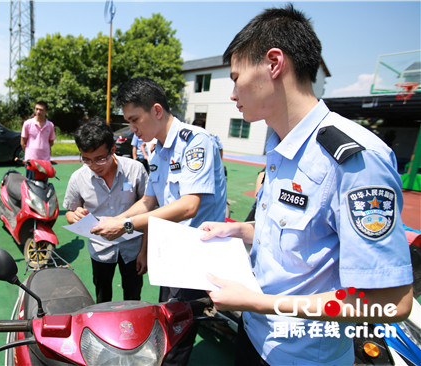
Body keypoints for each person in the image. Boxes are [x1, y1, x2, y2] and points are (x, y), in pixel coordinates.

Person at [198, 5, 413, 365]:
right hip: (255, 335)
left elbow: (392, 301)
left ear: (274, 63)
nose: (232, 92)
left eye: (236, 77)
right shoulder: (280, 143)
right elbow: (304, 238)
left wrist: (258, 303)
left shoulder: (353, 159)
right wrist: (241, 230)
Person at [91, 77, 227, 365]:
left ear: (156, 110)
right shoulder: (158, 149)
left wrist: (126, 226)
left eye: (134, 119)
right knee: (168, 317)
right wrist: (116, 218)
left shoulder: (195, 142)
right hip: (173, 251)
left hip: (196, 253)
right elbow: (149, 201)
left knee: (179, 331)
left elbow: (189, 206)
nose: (132, 129)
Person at [63, 117, 148, 303]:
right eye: (86, 160)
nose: (94, 166)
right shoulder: (78, 178)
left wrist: (144, 252)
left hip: (133, 249)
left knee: (133, 299)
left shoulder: (136, 170)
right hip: (100, 249)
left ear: (113, 150)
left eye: (100, 159)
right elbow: (70, 212)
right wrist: (74, 216)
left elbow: (149, 211)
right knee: (102, 299)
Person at [21, 101, 55, 180]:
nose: (38, 112)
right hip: (31, 160)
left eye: (41, 110)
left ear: (46, 112)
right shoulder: (27, 124)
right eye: (36, 109)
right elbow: (23, 142)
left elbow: (51, 142)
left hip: (45, 161)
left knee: (44, 186)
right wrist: (29, 154)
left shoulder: (50, 125)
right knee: (30, 184)